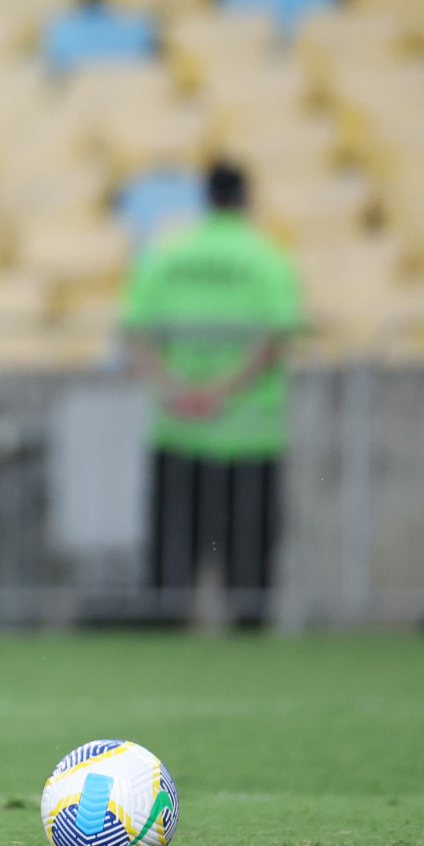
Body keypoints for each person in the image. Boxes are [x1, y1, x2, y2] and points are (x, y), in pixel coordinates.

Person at [121, 161, 302, 630]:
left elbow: (137, 333)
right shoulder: (267, 256)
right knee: (246, 543)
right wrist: (222, 393)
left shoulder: (166, 253)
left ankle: (166, 619)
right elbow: (276, 337)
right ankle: (246, 623)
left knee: (175, 538)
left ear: (205, 197)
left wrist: (177, 390)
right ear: (246, 198)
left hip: (178, 424)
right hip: (250, 429)